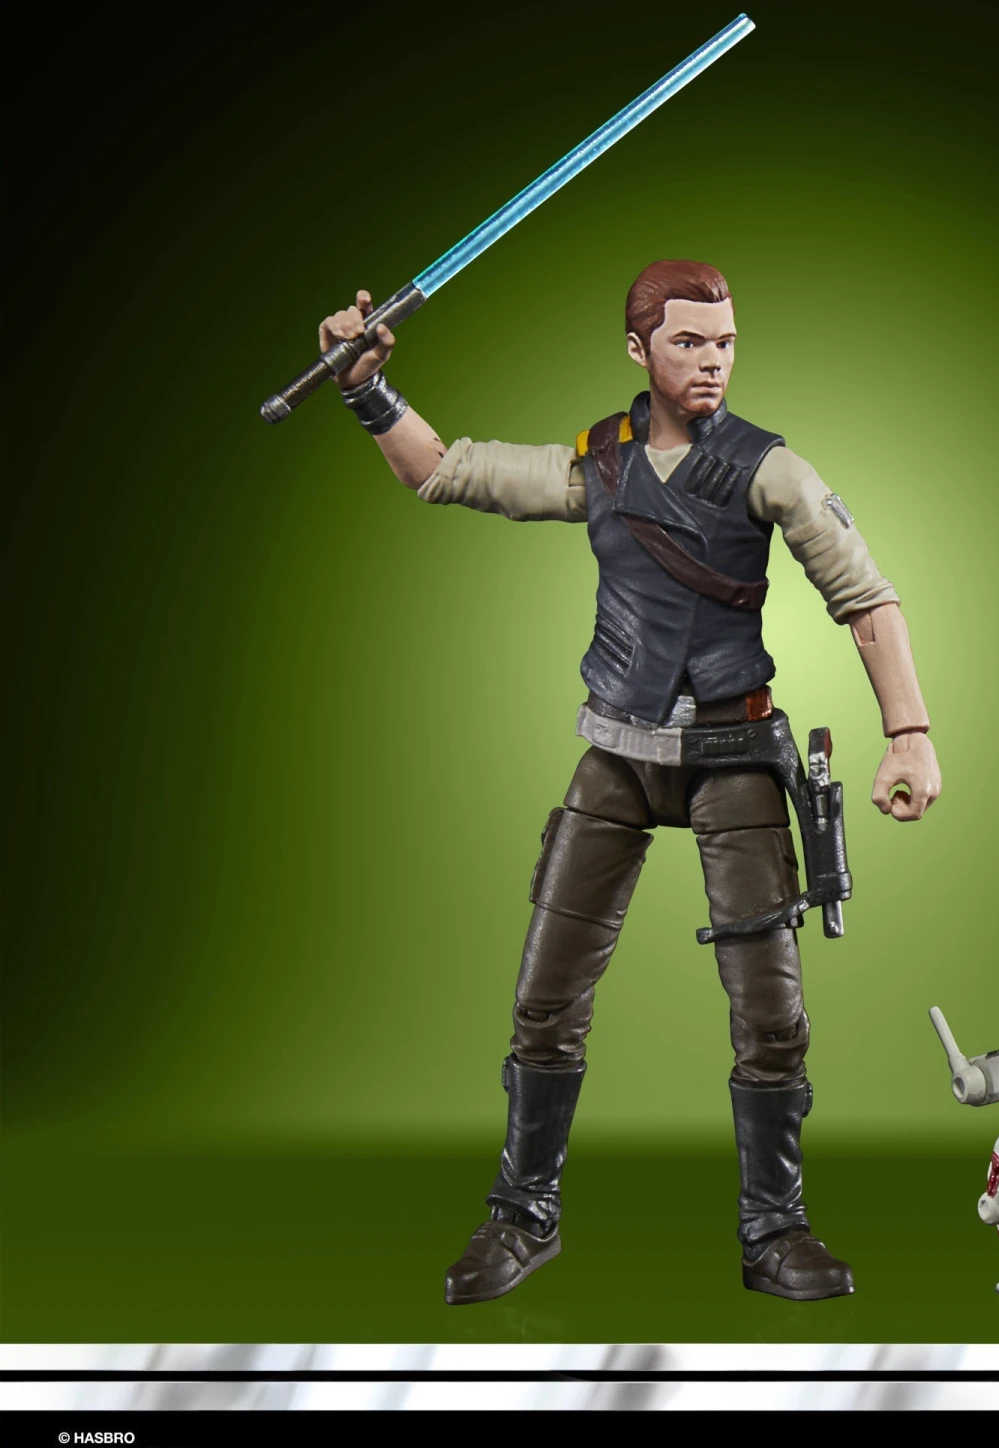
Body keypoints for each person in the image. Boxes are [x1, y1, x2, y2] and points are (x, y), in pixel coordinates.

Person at [318, 260, 942, 1303]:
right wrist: (365, 387)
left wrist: (910, 733)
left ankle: (775, 1227)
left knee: (771, 1013)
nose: (712, 362)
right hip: (615, 752)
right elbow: (446, 471)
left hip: (733, 755)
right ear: (638, 349)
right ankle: (524, 1213)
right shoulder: (600, 464)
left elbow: (868, 600)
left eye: (725, 342)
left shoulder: (771, 470)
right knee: (545, 995)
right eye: (689, 342)